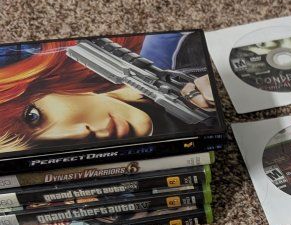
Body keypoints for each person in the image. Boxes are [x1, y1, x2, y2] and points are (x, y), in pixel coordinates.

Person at [0, 31, 216, 154]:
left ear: (43, 85)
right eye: (44, 148)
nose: (79, 134)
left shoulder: (178, 48)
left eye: (33, 116)